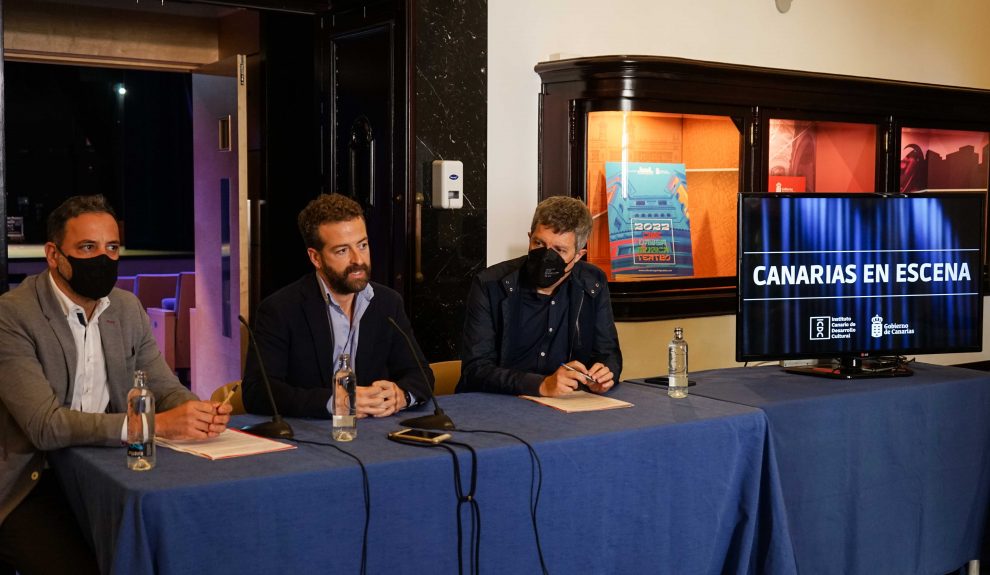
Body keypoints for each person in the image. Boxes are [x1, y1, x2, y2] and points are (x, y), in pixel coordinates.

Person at [0, 195, 231, 575]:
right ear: (54, 255)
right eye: (87, 248)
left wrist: (196, 412)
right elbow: (45, 426)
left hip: (105, 468)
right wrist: (148, 425)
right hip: (33, 482)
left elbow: (163, 386)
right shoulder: (14, 315)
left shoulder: (125, 308)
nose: (103, 259)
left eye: (111, 248)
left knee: (179, 541)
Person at [242, 193, 434, 419]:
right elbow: (258, 392)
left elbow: (420, 374)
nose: (358, 260)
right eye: (342, 250)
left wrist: (401, 395)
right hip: (312, 439)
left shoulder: (387, 303)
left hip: (377, 434)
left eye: (362, 245)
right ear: (316, 258)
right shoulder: (280, 309)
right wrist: (336, 403)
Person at [458, 196, 622, 397]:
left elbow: (608, 353)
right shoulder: (490, 285)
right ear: (529, 238)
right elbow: (475, 370)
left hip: (568, 406)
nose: (546, 257)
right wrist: (541, 385)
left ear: (578, 255)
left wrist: (604, 374)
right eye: (539, 243)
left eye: (559, 250)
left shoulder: (593, 283)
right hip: (499, 404)